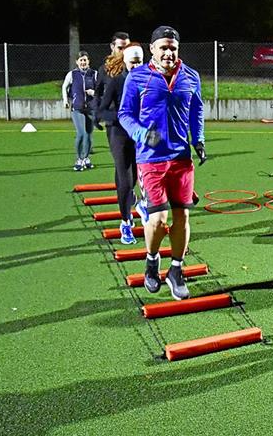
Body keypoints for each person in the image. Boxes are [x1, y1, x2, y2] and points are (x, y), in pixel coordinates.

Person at [118, 26, 206, 300]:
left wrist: (199, 139)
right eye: (163, 47)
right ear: (153, 49)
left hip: (181, 157)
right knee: (157, 219)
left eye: (173, 48)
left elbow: (196, 108)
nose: (168, 52)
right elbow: (124, 114)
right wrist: (142, 134)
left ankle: (176, 270)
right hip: (151, 159)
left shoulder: (191, 76)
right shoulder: (137, 77)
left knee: (183, 216)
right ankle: (152, 261)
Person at [99, 43, 143, 244]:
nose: (136, 66)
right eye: (133, 62)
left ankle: (133, 201)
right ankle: (125, 223)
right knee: (125, 181)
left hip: (139, 135)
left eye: (139, 62)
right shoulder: (117, 82)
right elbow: (101, 111)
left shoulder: (149, 81)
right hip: (118, 134)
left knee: (131, 178)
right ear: (125, 61)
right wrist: (123, 117)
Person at [62, 51, 97, 171]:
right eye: (81, 60)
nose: (83, 62)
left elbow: (101, 90)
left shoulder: (94, 74)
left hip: (91, 108)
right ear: (77, 62)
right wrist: (65, 100)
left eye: (85, 60)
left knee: (88, 135)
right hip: (77, 108)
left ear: (88, 61)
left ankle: (86, 158)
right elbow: (64, 86)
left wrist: (94, 93)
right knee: (81, 134)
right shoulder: (72, 74)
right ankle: (78, 159)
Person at [94, 31, 130, 124]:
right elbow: (98, 93)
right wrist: (97, 114)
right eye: (120, 48)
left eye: (126, 48)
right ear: (112, 47)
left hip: (134, 119)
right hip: (113, 122)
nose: (123, 52)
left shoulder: (134, 67)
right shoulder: (104, 70)